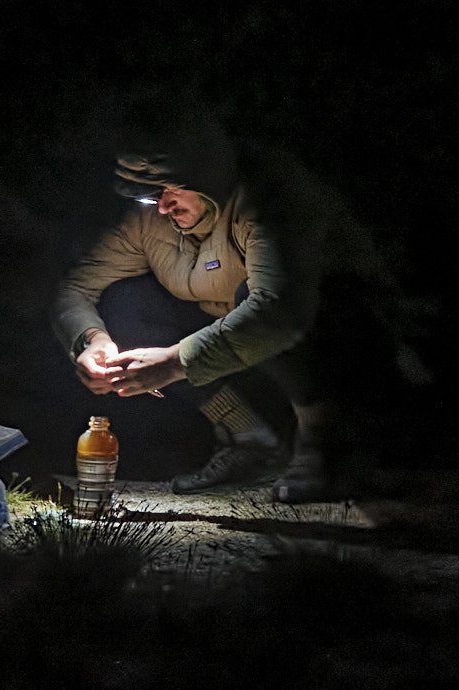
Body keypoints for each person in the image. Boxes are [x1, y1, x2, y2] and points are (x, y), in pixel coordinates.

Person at [50, 105, 390, 502]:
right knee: (126, 305)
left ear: (206, 177)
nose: (162, 207)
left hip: (350, 339)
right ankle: (249, 440)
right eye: (151, 196)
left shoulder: (269, 195)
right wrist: (90, 340)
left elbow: (279, 310)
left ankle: (326, 444)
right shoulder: (150, 221)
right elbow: (76, 289)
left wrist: (175, 361)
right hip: (244, 348)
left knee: (257, 300)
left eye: (171, 189)